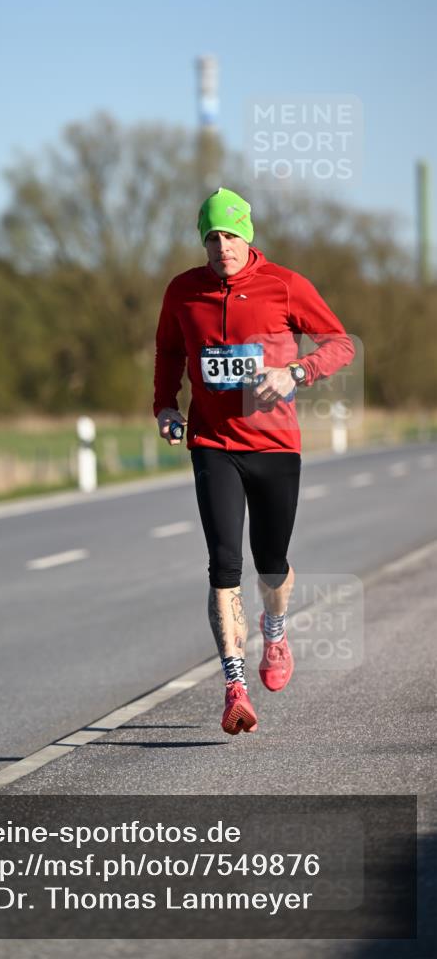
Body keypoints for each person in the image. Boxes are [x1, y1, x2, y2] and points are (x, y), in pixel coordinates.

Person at [153, 187, 355, 735]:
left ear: (249, 237)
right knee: (223, 566)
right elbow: (170, 350)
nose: (222, 247)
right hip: (214, 445)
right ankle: (234, 685)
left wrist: (293, 373)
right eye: (212, 238)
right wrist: (165, 405)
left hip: (274, 447)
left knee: (271, 563)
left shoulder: (284, 285)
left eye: (231, 236)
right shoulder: (183, 292)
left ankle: (276, 626)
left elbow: (340, 343)